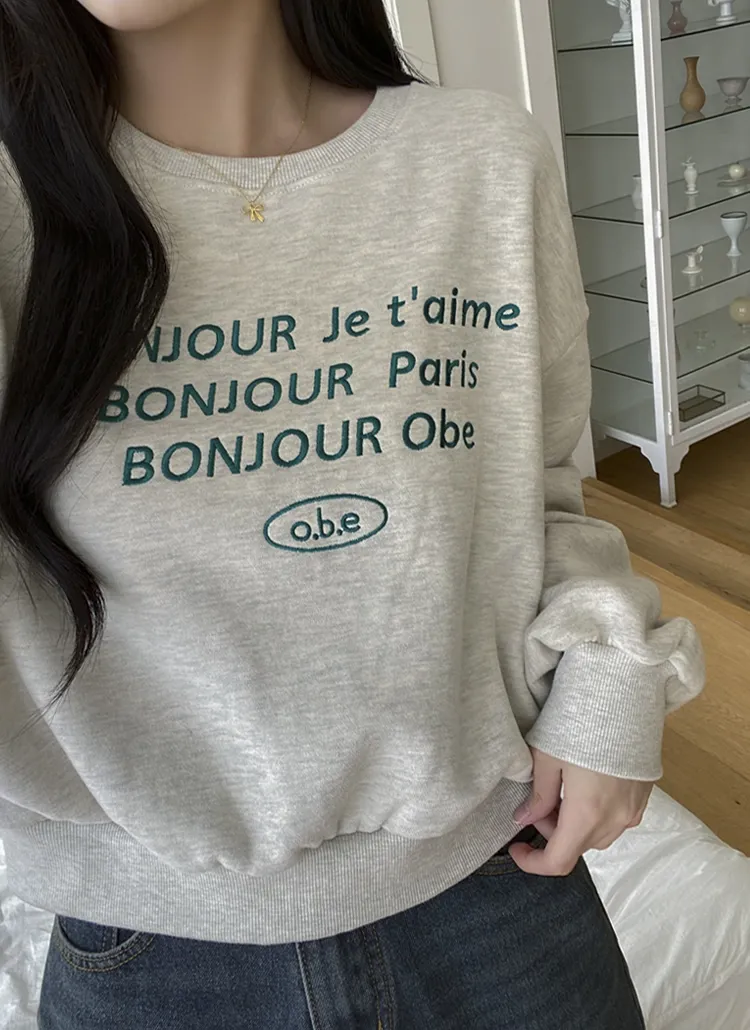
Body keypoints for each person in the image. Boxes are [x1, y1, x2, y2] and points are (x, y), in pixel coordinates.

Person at [0, 1, 705, 1027]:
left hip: (496, 892)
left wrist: (609, 689)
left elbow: (543, 491)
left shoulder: (482, 158)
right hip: (152, 958)